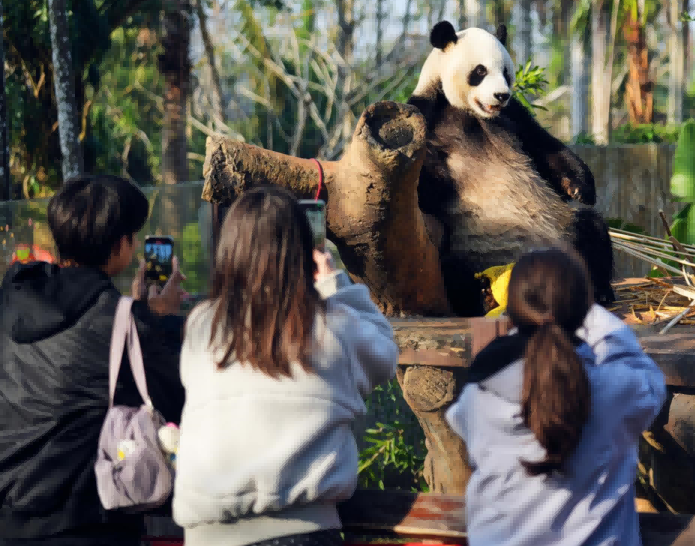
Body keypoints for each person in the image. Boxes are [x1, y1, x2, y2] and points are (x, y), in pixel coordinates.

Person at [172, 186, 398, 546]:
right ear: (302, 250)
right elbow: (384, 354)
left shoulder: (203, 325)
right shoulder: (332, 322)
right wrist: (333, 283)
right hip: (302, 529)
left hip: (208, 533)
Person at [0, 175, 188, 546]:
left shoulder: (10, 301)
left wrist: (137, 314)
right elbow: (174, 405)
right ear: (121, 245)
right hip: (86, 522)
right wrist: (156, 321)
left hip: (9, 521)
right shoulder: (121, 322)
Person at [446, 247, 667, 546]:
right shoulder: (613, 391)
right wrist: (594, 315)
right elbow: (650, 383)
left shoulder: (480, 393)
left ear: (513, 308)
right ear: (581, 307)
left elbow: (460, 421)